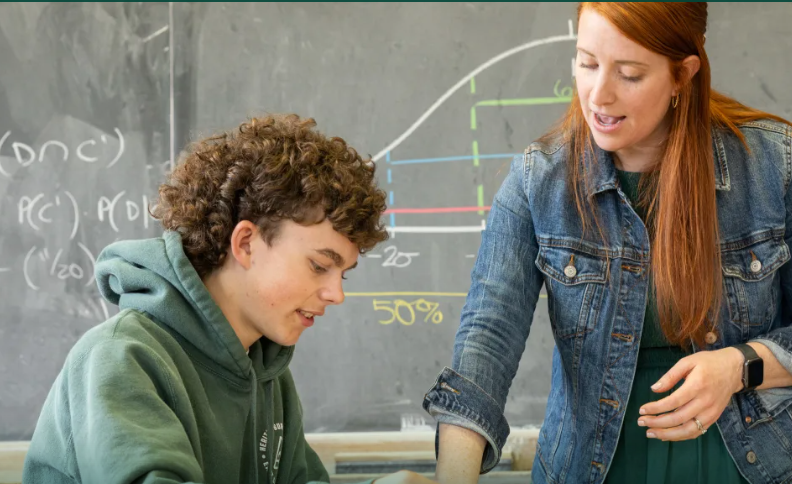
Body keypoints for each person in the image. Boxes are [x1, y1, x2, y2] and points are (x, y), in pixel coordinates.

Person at [423, 3, 792, 484]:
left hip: (752, 464)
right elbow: (486, 341)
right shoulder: (538, 180)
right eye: (587, 62)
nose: (598, 94)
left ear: (682, 75)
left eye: (629, 74)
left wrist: (741, 365)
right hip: (589, 468)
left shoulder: (773, 166)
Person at [23, 114, 436, 484]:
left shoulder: (267, 371)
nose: (336, 294)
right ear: (246, 243)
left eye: (343, 274)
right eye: (318, 265)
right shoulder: (121, 358)